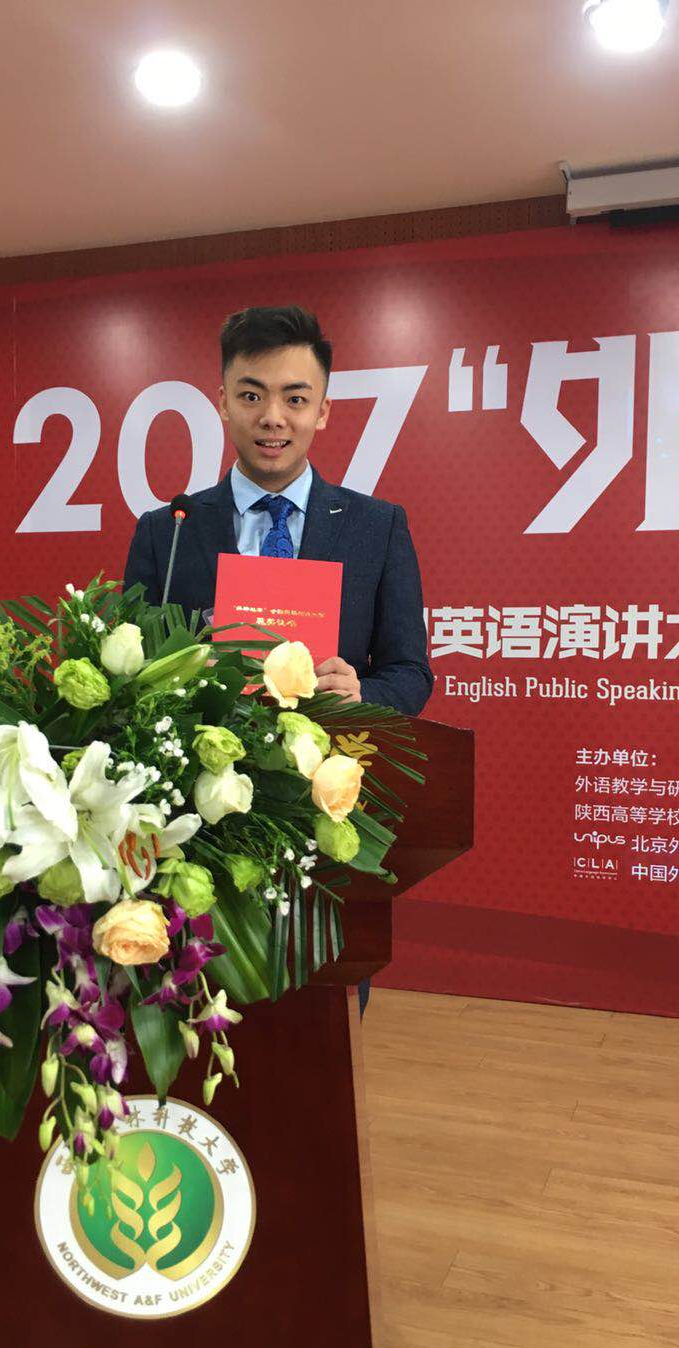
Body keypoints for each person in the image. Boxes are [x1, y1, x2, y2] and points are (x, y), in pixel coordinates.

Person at [123, 304, 433, 1012]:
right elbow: (128, 673)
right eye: (252, 395)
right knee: (191, 1013)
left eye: (295, 399)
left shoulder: (377, 527)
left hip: (321, 817)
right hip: (194, 821)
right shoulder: (169, 530)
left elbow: (412, 674)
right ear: (222, 402)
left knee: (316, 1028)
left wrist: (361, 692)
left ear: (323, 410)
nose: (273, 418)